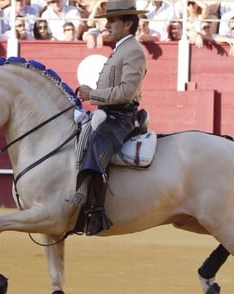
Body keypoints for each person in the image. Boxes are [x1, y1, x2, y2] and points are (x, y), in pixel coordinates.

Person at [76, 0, 148, 236]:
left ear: (128, 24)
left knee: (97, 146)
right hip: (108, 112)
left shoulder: (134, 50)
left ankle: (96, 212)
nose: (107, 24)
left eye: (112, 20)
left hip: (121, 117)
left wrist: (92, 94)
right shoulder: (120, 49)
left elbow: (126, 92)